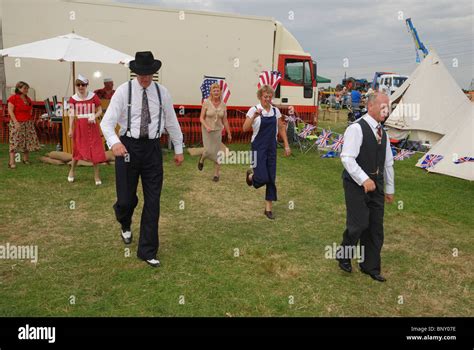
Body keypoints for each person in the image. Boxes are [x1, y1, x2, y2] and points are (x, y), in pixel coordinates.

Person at [100, 51, 184, 268]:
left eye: (148, 73)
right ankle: (125, 222)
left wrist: (178, 147)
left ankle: (147, 250)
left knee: (153, 201)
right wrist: (114, 142)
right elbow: (106, 123)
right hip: (128, 147)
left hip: (153, 150)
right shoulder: (123, 91)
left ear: (154, 73)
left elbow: (172, 121)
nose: (145, 77)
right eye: (141, 73)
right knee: (126, 199)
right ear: (134, 72)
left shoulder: (162, 93)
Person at [337, 92, 394, 282]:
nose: (386, 111)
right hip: (355, 184)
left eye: (388, 107)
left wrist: (389, 188)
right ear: (370, 106)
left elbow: (388, 162)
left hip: (376, 186)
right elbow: (347, 157)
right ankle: (344, 254)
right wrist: (363, 179)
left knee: (375, 227)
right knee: (359, 224)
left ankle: (370, 266)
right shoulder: (356, 128)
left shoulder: (383, 132)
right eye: (383, 106)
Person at [243, 84, 291, 220]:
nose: (268, 99)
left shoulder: (276, 111)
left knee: (271, 177)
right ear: (260, 97)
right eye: (265, 96)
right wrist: (253, 117)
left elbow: (281, 128)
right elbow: (245, 128)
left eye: (270, 96)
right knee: (262, 177)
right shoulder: (254, 110)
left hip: (271, 148)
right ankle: (251, 177)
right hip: (258, 148)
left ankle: (268, 209)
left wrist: (286, 145)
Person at [67, 74, 107, 185]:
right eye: (78, 85)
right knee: (77, 148)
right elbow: (71, 114)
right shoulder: (73, 99)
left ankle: (96, 175)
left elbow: (99, 110)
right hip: (80, 126)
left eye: (83, 84)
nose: (81, 87)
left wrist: (94, 116)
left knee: (94, 149)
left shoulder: (93, 96)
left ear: (86, 85)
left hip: (92, 126)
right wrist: (70, 128)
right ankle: (71, 171)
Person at [198, 82, 232, 182]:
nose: (216, 92)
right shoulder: (206, 102)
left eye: (218, 90)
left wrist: (229, 133)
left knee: (217, 152)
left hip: (218, 131)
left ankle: (216, 174)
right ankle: (202, 158)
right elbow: (201, 118)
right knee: (208, 151)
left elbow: (225, 120)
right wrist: (207, 126)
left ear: (220, 92)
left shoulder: (223, 104)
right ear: (211, 92)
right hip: (207, 130)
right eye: (214, 90)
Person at [7, 81, 40, 168]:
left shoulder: (27, 98)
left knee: (26, 141)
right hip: (17, 122)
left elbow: (30, 109)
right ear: (18, 88)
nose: (26, 90)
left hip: (27, 122)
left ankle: (25, 159)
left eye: (27, 88)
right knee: (14, 141)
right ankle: (11, 162)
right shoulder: (13, 98)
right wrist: (15, 122)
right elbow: (10, 111)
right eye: (24, 88)